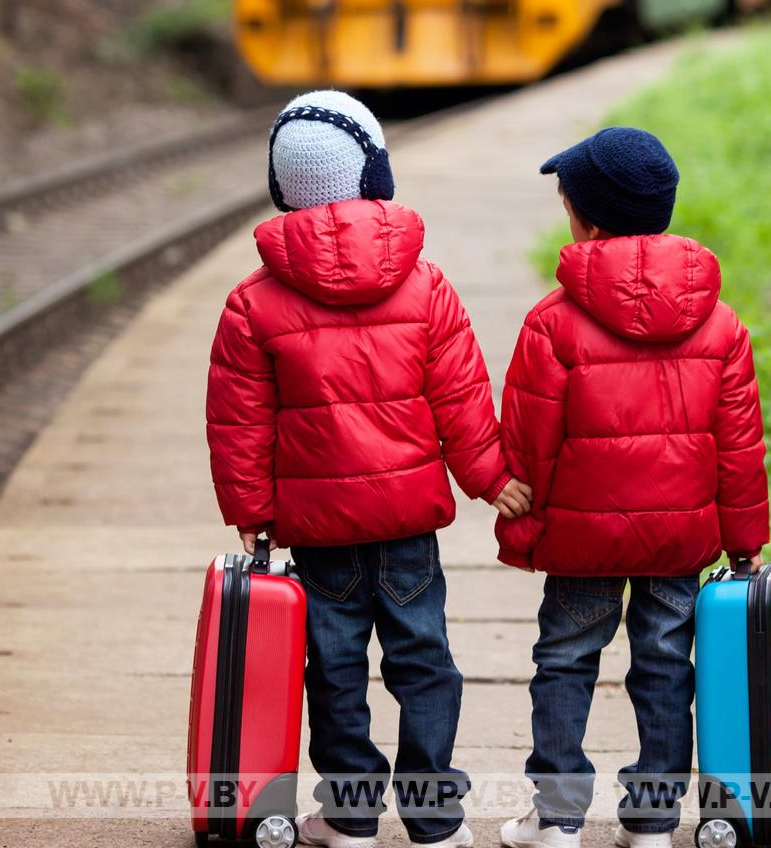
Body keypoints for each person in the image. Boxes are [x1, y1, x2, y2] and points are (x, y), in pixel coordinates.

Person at [205, 90, 532, 848]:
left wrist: (252, 510)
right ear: (375, 173)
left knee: (335, 669)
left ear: (281, 188)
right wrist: (490, 477)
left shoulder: (252, 304)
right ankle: (434, 819)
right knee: (424, 662)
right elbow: (459, 395)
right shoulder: (426, 284)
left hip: (320, 534)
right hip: (409, 524)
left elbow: (239, 422)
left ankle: (350, 816)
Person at [494, 127, 769, 848]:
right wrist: (743, 543)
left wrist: (525, 522)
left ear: (584, 217)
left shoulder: (551, 323)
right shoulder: (722, 324)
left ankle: (555, 820)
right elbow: (739, 446)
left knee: (564, 662)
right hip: (680, 540)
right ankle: (651, 821)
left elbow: (527, 441)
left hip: (583, 538)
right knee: (663, 667)